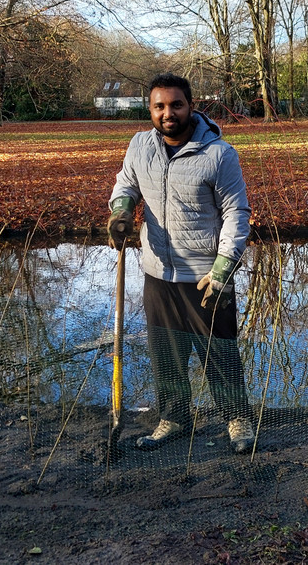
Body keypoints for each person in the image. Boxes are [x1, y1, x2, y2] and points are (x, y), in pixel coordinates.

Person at [107, 73, 255, 454]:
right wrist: (121, 210)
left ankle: (236, 419)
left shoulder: (219, 154)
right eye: (159, 106)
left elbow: (237, 212)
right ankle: (174, 417)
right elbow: (126, 184)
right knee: (166, 354)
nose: (168, 113)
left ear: (191, 106)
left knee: (218, 352)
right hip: (157, 271)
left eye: (176, 105)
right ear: (150, 110)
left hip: (207, 274)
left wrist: (224, 266)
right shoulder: (140, 145)